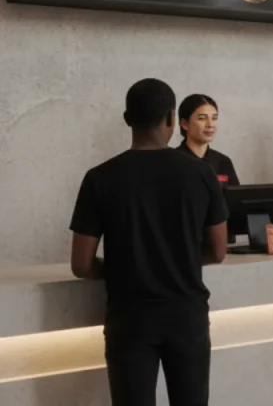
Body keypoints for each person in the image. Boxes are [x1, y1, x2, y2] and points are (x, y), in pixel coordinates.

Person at [68, 78, 228, 406]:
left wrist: (124, 266)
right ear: (173, 118)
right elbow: (218, 251)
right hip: (187, 316)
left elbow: (81, 265)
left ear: (127, 119)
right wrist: (177, 258)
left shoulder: (99, 177)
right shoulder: (201, 174)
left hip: (129, 319)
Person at [177, 93, 239, 186]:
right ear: (185, 124)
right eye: (202, 118)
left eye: (214, 118)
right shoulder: (173, 161)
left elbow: (235, 198)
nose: (210, 125)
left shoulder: (223, 162)